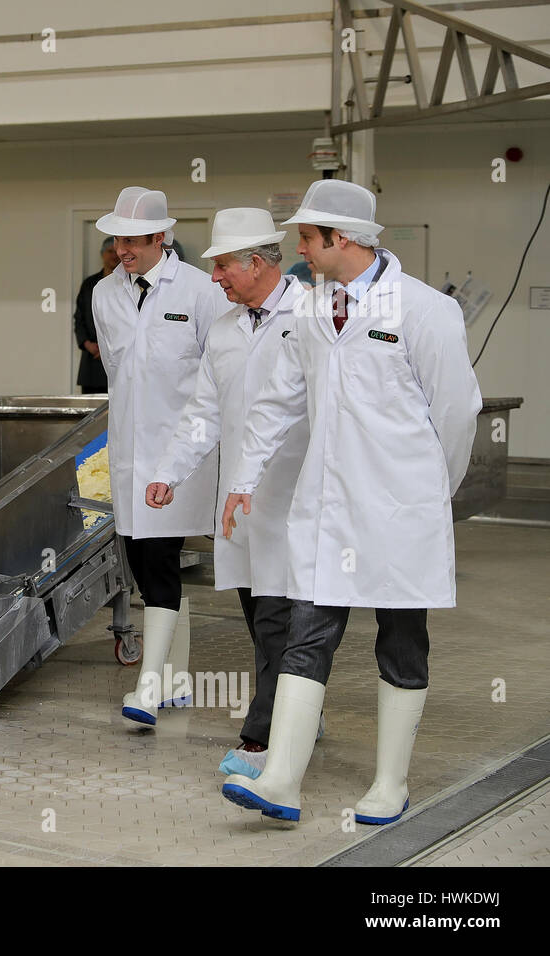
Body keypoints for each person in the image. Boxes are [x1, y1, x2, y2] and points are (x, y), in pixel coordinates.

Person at [219, 180, 481, 823]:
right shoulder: (310, 310)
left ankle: (390, 783)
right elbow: (278, 400)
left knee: (400, 639)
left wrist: (427, 494)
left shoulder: (422, 311)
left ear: (341, 239)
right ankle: (281, 778)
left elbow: (457, 412)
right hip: (326, 506)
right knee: (309, 630)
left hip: (401, 510)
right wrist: (243, 479)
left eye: (307, 239)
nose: (300, 251)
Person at [146, 208, 310, 777]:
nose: (214, 277)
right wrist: (170, 470)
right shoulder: (224, 329)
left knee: (279, 620)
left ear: (257, 263)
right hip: (239, 506)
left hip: (295, 497)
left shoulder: (310, 315)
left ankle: (263, 739)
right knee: (260, 615)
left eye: (222, 267)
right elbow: (203, 413)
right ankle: (296, 713)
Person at [90, 186, 230, 727]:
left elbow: (217, 374)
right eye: (117, 240)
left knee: (159, 558)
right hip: (128, 450)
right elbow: (118, 374)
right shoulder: (105, 295)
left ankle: (147, 689)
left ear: (160, 238)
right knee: (148, 565)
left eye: (133, 240)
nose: (122, 250)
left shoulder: (199, 291)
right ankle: (175, 678)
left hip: (181, 451)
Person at [73, 237, 117, 394]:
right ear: (102, 254)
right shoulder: (89, 284)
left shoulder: (129, 283)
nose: (114, 255)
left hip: (118, 359)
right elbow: (79, 318)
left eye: (116, 251)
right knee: (90, 413)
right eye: (109, 251)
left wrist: (110, 348)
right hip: (92, 361)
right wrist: (88, 344)